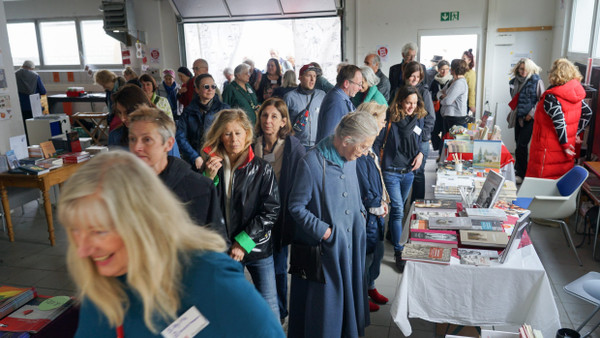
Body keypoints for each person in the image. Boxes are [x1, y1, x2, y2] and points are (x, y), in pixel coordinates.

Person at [58, 151, 284, 337]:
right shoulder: (100, 286)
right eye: (76, 231)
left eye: (98, 231)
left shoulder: (208, 277)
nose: (82, 250)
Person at [287, 111, 379, 338]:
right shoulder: (311, 163)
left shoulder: (350, 157)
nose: (365, 152)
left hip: (352, 245)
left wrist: (360, 213)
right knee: (327, 310)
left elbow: (353, 191)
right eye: (363, 147)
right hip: (328, 250)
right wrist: (325, 232)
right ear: (347, 141)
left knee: (350, 303)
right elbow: (296, 206)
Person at [201, 109, 280, 317]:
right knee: (227, 307)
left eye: (238, 132)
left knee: (269, 306)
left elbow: (270, 211)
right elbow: (201, 206)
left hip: (257, 247)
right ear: (219, 136)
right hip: (224, 248)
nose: (233, 139)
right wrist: (208, 178)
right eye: (227, 133)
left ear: (247, 134)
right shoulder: (211, 167)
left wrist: (244, 242)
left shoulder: (262, 169)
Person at [127, 107, 227, 240]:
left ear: (168, 144)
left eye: (147, 140)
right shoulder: (124, 187)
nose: (136, 147)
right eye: (132, 139)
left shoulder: (199, 188)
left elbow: (218, 244)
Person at [253, 97, 306, 325]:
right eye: (265, 115)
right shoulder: (252, 144)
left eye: (274, 116)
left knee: (278, 267)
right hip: (255, 215)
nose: (268, 121)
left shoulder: (293, 148)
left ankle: (281, 312)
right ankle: (263, 309)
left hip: (280, 216)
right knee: (258, 266)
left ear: (284, 121)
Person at [373, 86, 426, 271]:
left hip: (408, 172)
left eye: (414, 103)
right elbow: (377, 143)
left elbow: (420, 144)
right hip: (391, 171)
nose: (411, 106)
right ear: (400, 101)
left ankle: (393, 235)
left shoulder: (418, 119)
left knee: (401, 208)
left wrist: (420, 155)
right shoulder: (390, 119)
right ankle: (399, 251)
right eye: (408, 103)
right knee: (397, 210)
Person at [526, 58, 592, 179]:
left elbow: (559, 121)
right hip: (566, 149)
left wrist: (565, 145)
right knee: (558, 184)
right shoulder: (575, 95)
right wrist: (576, 133)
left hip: (548, 150)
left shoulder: (551, 97)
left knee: (540, 185)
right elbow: (588, 113)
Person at [354, 101, 390, 313]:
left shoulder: (373, 147)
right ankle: (361, 295)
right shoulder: (360, 153)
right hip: (369, 215)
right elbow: (365, 186)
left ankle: (371, 286)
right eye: (382, 120)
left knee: (376, 254)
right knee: (366, 258)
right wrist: (378, 205)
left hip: (378, 211)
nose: (384, 125)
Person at [108, 84, 180, 158]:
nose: (122, 118)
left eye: (127, 113)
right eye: (119, 113)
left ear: (142, 109)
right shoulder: (115, 135)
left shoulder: (164, 134)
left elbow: (174, 166)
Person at [176, 73, 230, 169]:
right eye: (206, 86)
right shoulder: (188, 111)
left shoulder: (224, 110)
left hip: (218, 160)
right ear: (197, 90)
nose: (210, 89)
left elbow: (229, 135)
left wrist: (219, 155)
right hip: (194, 161)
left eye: (213, 86)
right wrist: (194, 156)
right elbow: (180, 136)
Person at [508, 58, 545, 183]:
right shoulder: (514, 82)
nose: (523, 71)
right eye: (521, 68)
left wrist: (531, 113)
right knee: (517, 143)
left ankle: (522, 174)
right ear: (518, 68)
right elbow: (515, 99)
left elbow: (541, 100)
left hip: (530, 119)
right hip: (519, 117)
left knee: (522, 145)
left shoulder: (536, 81)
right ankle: (518, 169)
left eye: (526, 69)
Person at [402, 61, 435, 201]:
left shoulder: (424, 92)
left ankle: (417, 205)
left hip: (421, 139)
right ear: (406, 76)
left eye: (418, 76)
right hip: (404, 138)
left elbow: (430, 118)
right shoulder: (400, 90)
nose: (415, 79)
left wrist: (423, 138)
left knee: (418, 173)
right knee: (406, 172)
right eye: (412, 76)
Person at [315, 64, 362, 142]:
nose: (360, 88)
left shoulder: (340, 98)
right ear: (346, 84)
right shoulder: (336, 102)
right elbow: (329, 138)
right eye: (359, 84)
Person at [284, 64, 327, 148]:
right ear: (300, 77)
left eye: (314, 76)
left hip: (317, 145)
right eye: (308, 75)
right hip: (297, 146)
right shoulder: (289, 97)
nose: (312, 79)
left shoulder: (322, 95)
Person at [15, 60, 46, 137]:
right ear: (32, 68)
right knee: (36, 127)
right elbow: (43, 91)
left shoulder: (15, 74)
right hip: (34, 105)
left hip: (21, 105)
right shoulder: (35, 76)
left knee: (25, 127)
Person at [438, 59, 469, 136]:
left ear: (454, 69)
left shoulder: (459, 83)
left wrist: (442, 98)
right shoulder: (452, 81)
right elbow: (440, 92)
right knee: (447, 140)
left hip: (456, 118)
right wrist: (442, 96)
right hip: (449, 117)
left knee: (452, 142)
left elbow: (447, 101)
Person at [430, 60, 452, 151]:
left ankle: (442, 152)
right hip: (437, 110)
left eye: (446, 69)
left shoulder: (451, 80)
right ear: (438, 70)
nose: (444, 71)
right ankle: (439, 148)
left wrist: (442, 95)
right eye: (442, 69)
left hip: (447, 110)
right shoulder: (434, 81)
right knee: (434, 132)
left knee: (445, 132)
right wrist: (438, 96)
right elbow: (430, 94)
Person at [463, 49, 477, 114]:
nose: (462, 61)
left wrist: (472, 105)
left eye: (464, 59)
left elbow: (471, 90)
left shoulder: (471, 73)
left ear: (469, 60)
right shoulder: (461, 71)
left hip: (465, 101)